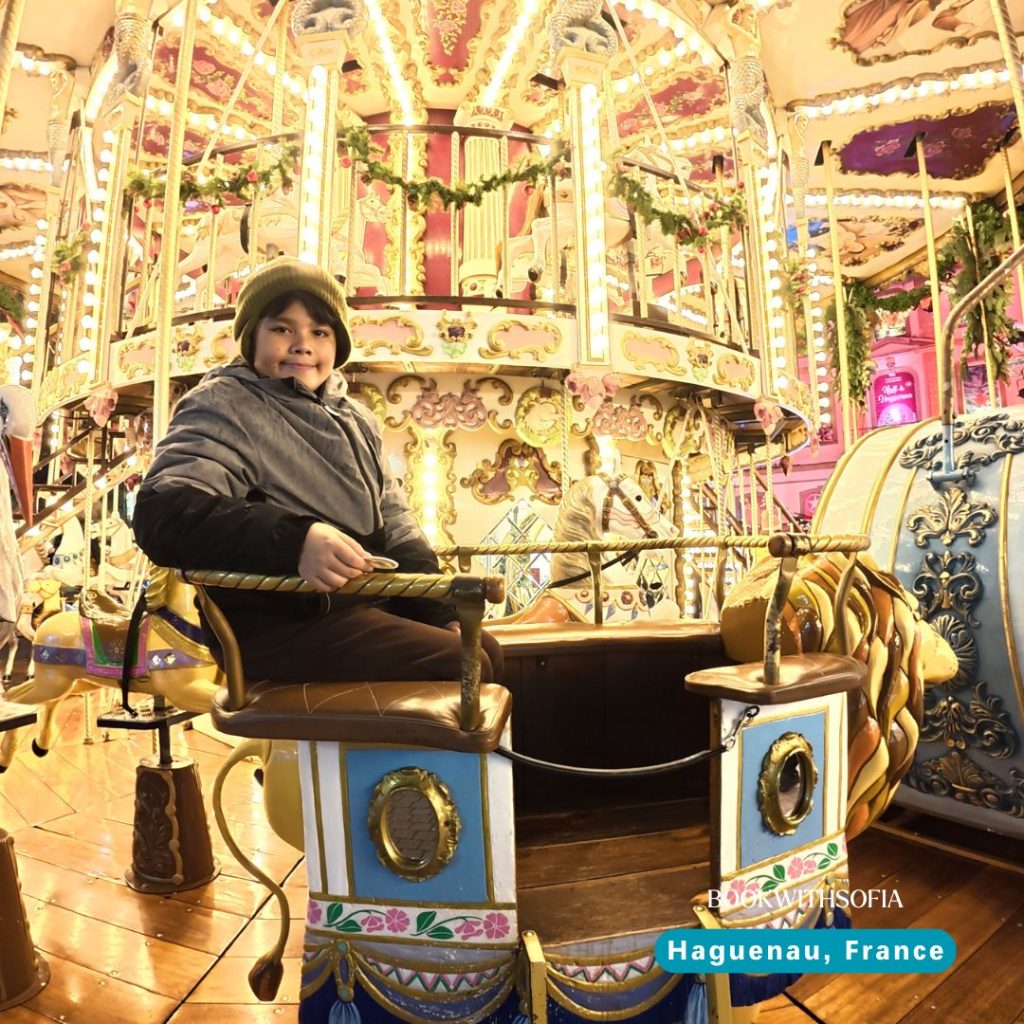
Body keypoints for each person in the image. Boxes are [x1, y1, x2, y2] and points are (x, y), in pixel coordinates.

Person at [133, 257, 502, 684]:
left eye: (320, 332)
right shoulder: (224, 405)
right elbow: (162, 513)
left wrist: (437, 609)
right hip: (280, 623)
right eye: (282, 329)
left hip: (357, 605)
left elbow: (396, 523)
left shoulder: (355, 418)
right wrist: (295, 542)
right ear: (251, 337)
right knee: (461, 662)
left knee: (485, 647)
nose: (302, 345)